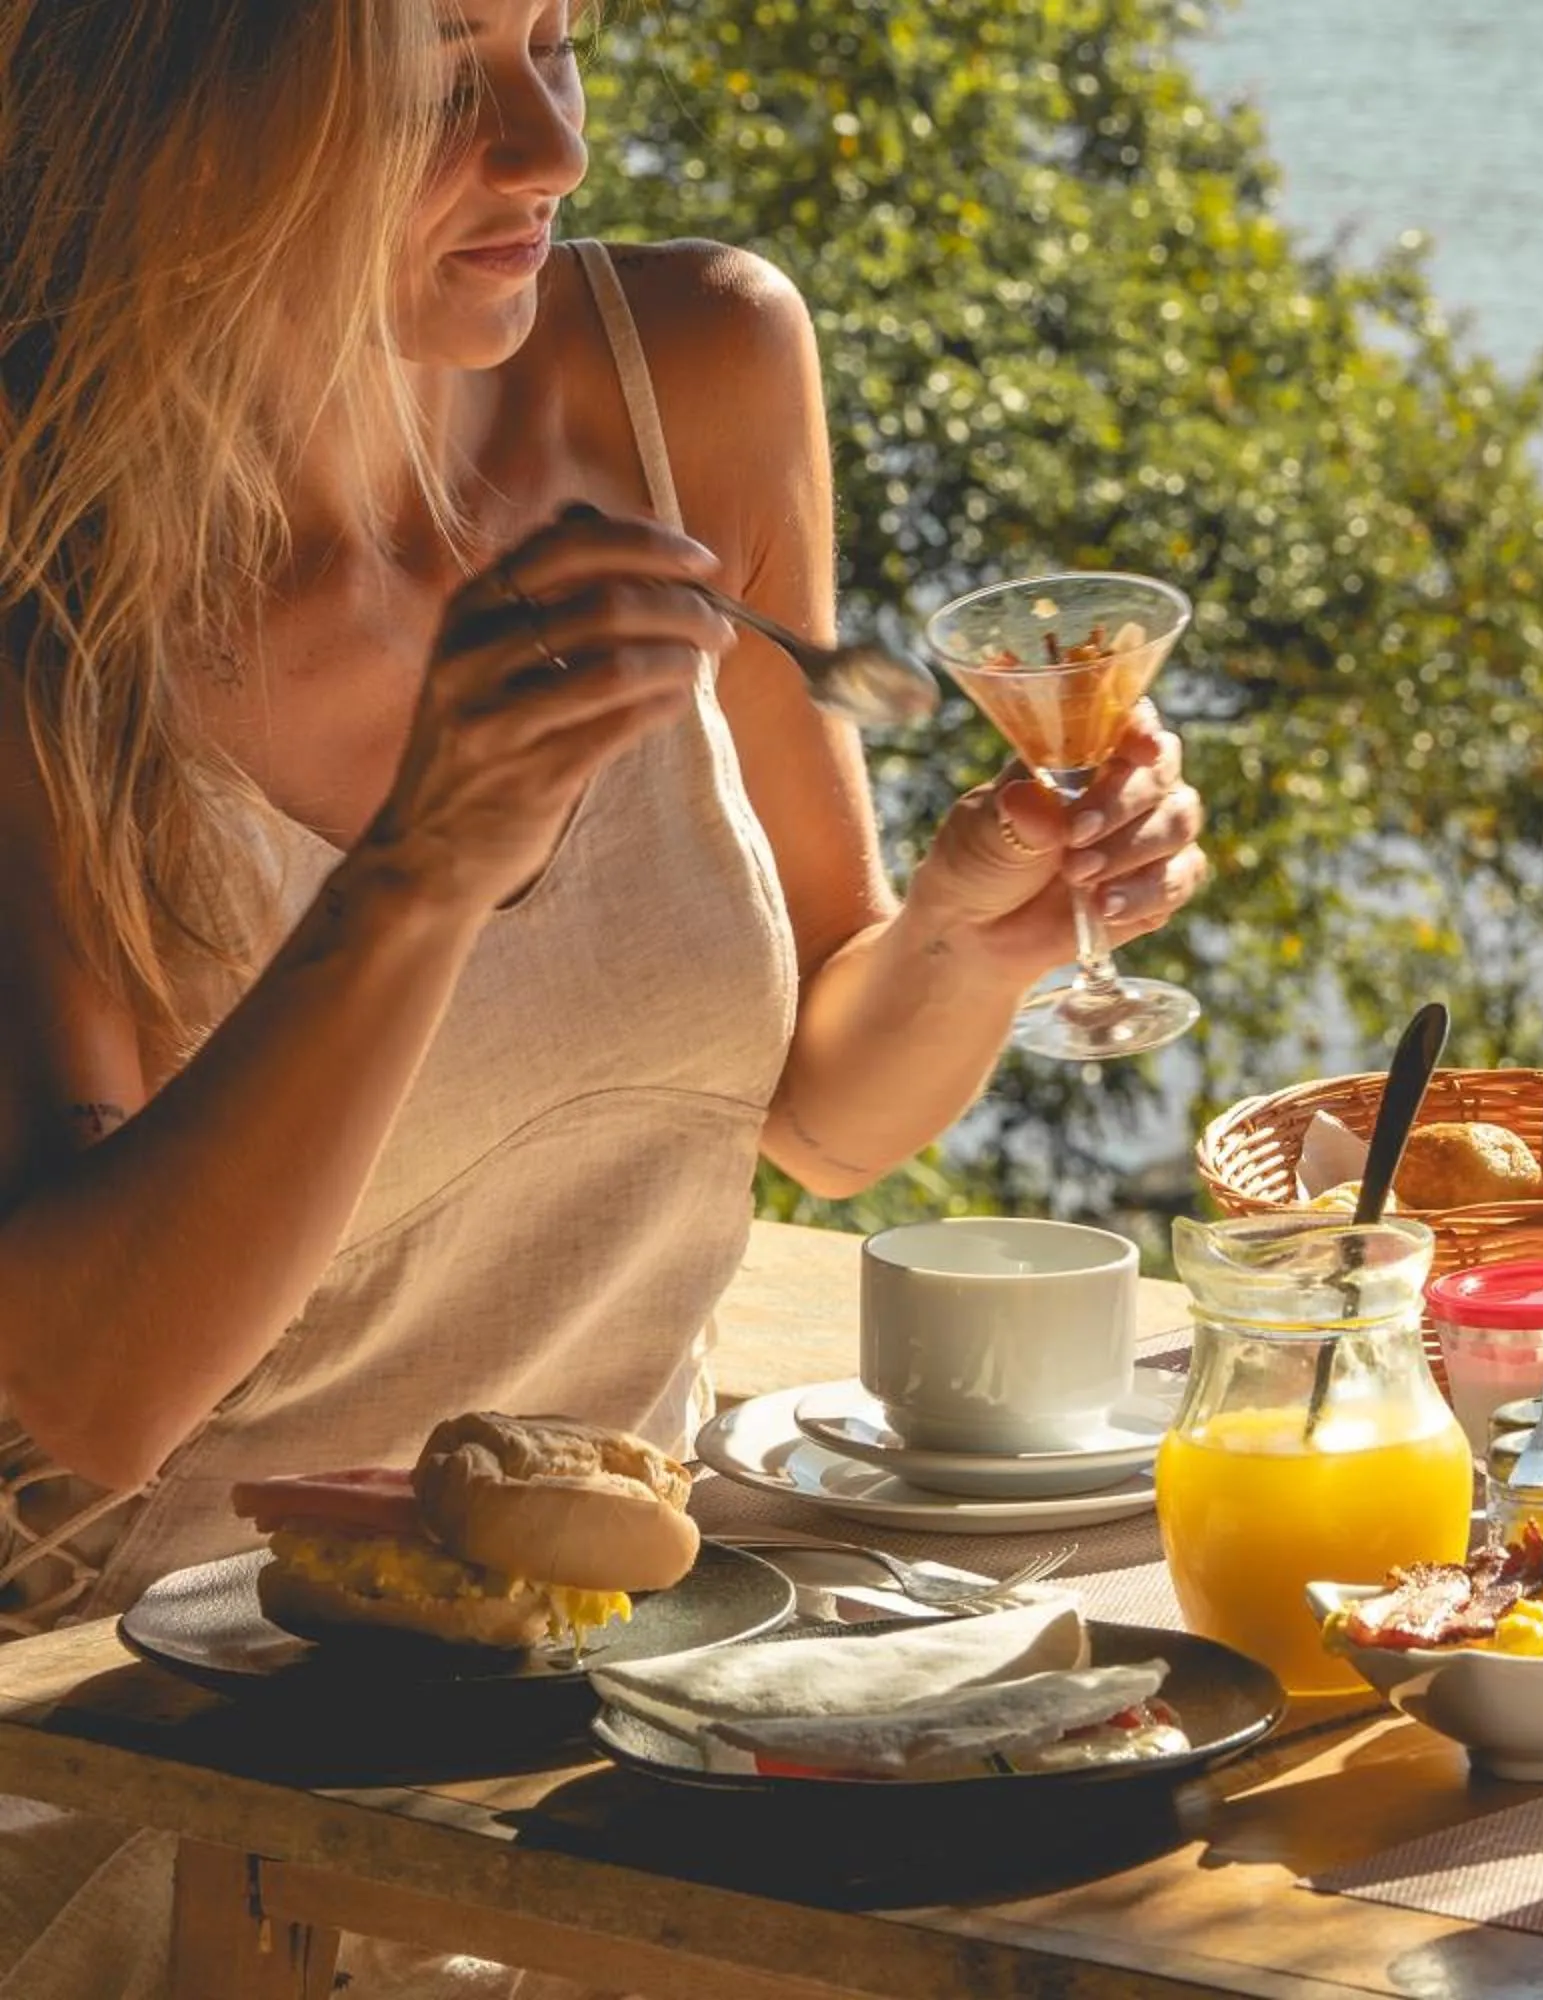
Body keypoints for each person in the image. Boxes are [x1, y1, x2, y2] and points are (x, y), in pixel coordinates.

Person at [0, 3, 1208, 1990]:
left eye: (557, 38)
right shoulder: (47, 567)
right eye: (431, 82)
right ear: (181, 106)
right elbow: (95, 1389)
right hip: (167, 1768)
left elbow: (813, 1110)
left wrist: (971, 938)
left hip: (634, 1724)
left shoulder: (692, 371)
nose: (546, 147)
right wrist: (425, 868)